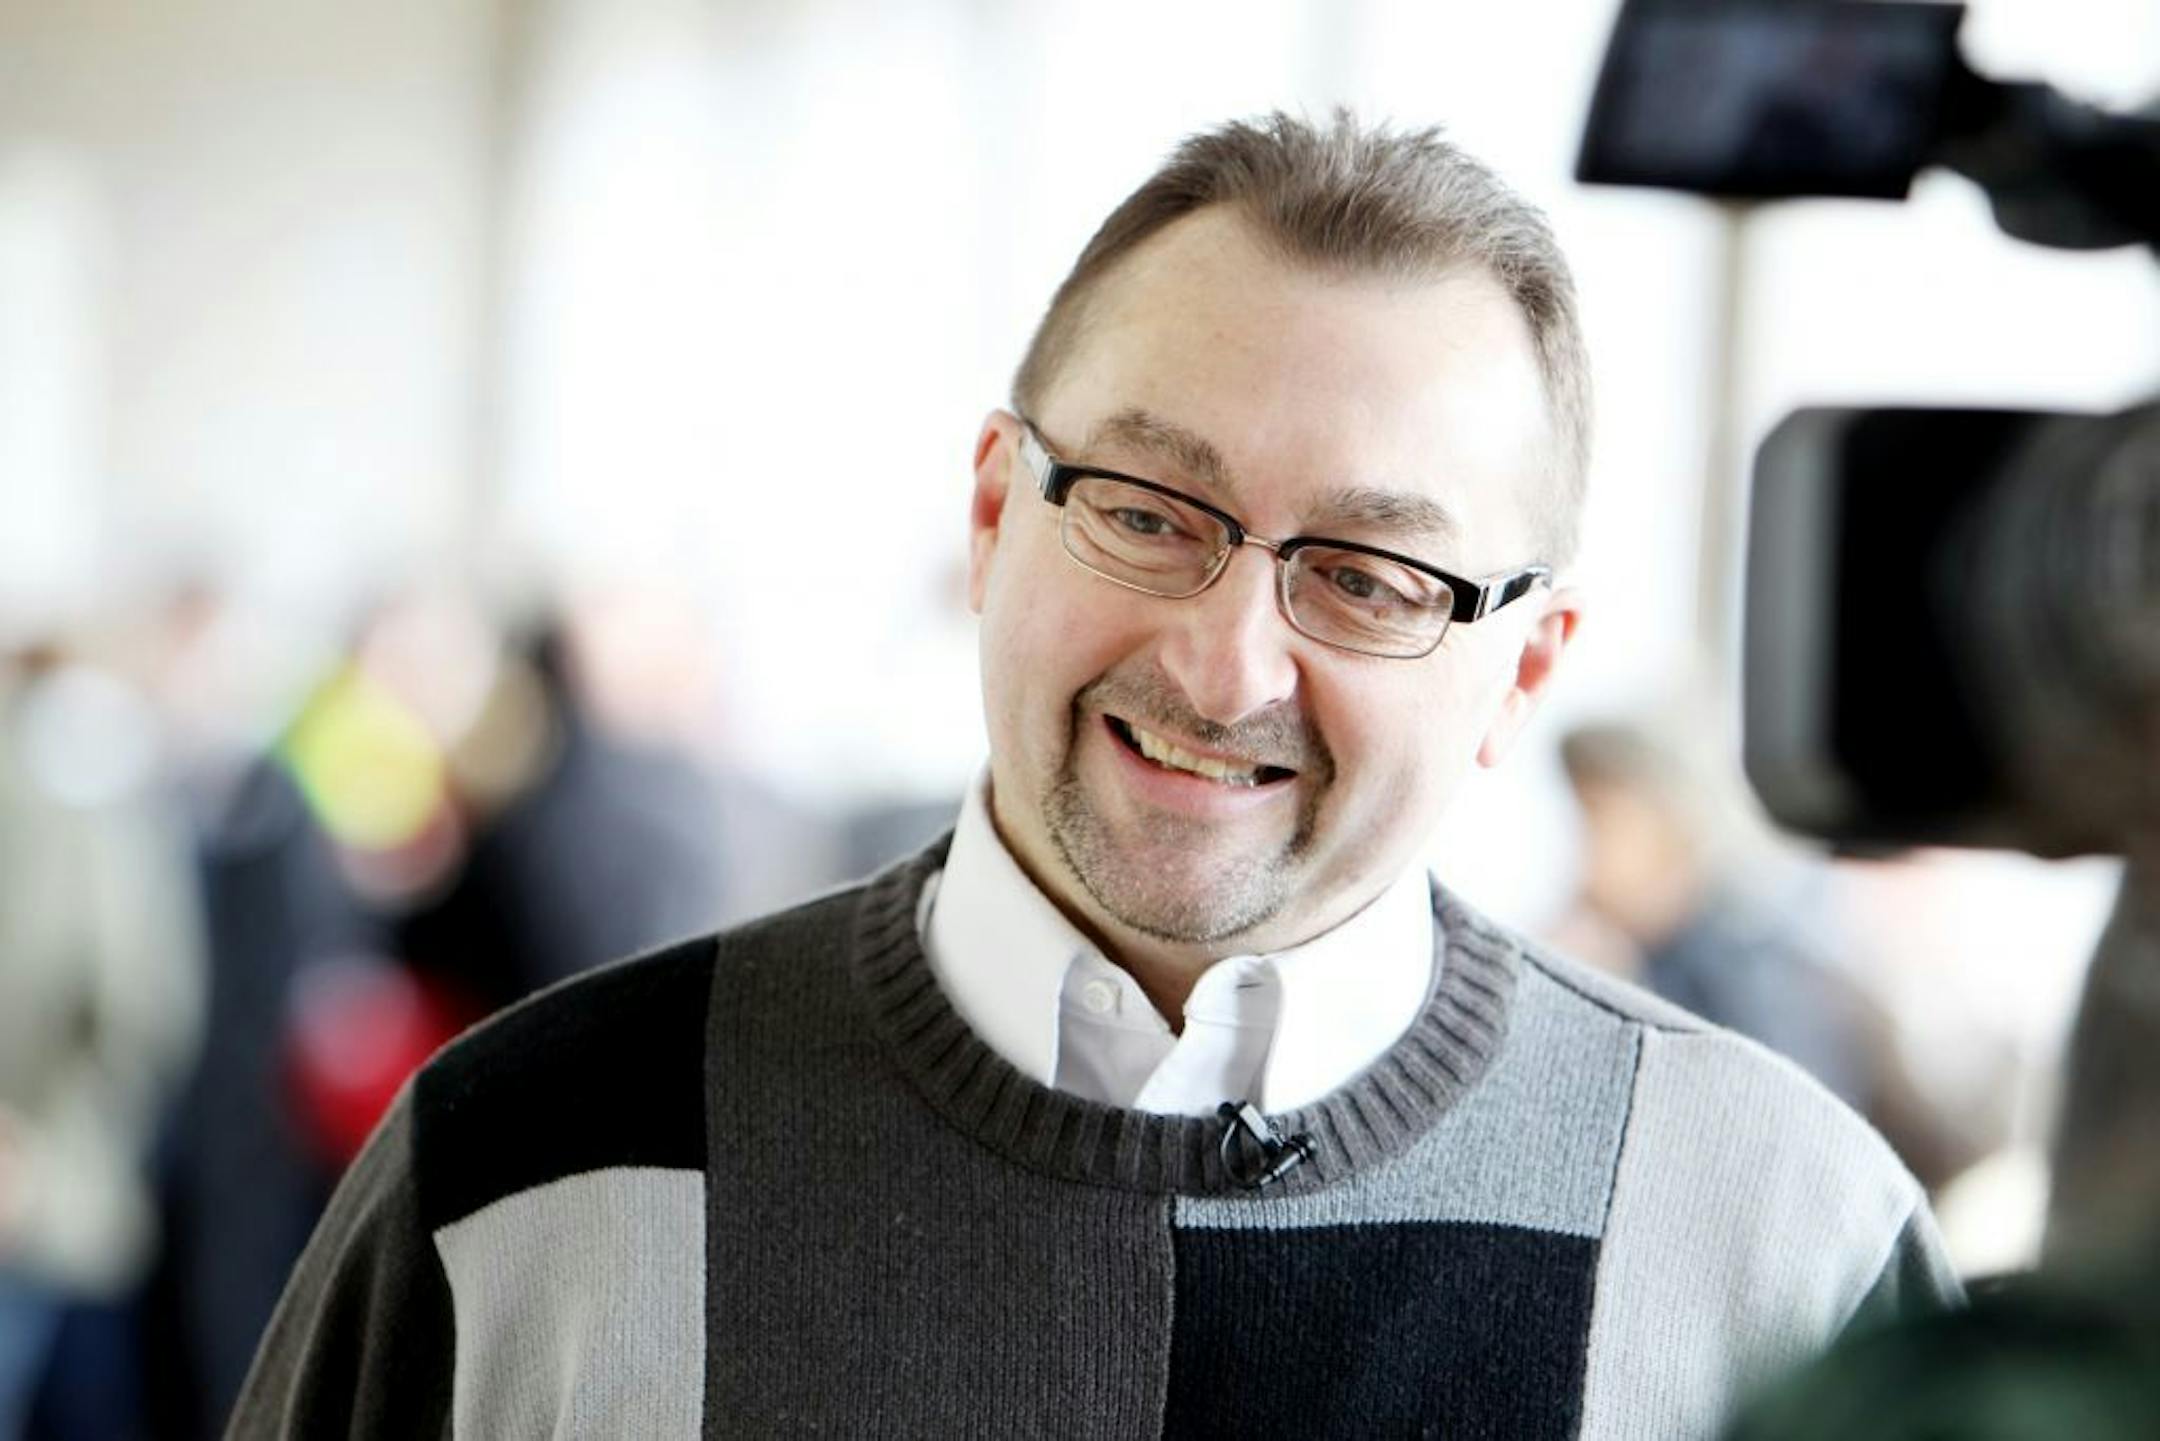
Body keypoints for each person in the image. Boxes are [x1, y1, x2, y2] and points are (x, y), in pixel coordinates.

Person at [230, 111, 1958, 1438]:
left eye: (1369, 577)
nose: (1225, 664)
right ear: (996, 514)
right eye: (1144, 511)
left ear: (1521, 671)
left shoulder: (1783, 1249)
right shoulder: (519, 1174)